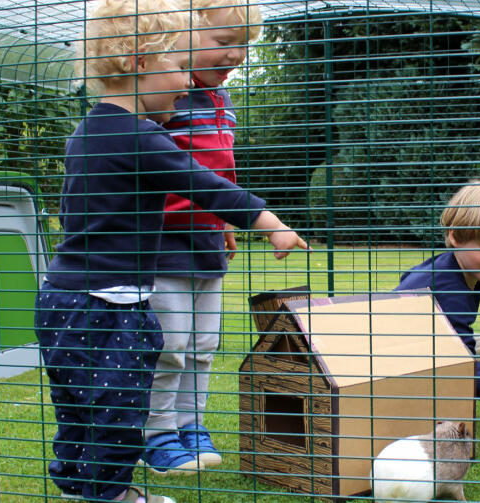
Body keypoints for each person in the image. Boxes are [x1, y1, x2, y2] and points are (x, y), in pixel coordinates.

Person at [34, 0, 308, 500]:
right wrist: (273, 225)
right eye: (178, 67)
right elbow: (207, 185)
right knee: (119, 408)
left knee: (81, 407)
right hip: (106, 303)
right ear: (139, 62)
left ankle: (81, 486)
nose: (187, 84)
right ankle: (113, 493)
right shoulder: (140, 136)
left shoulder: (88, 131)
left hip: (63, 297)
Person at [141, 0, 266, 475]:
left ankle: (191, 426)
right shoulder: (160, 97)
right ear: (179, 40)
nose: (236, 55)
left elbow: (219, 173)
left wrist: (225, 222)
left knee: (202, 344)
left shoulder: (222, 102)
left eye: (244, 46)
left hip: (207, 241)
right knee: (169, 344)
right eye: (223, 42)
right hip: (162, 241)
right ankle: (156, 433)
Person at [395, 178, 480, 434]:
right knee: (472, 352)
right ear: (455, 236)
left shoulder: (450, 268)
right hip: (400, 361)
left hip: (426, 349)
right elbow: (459, 356)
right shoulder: (448, 285)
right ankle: (438, 409)